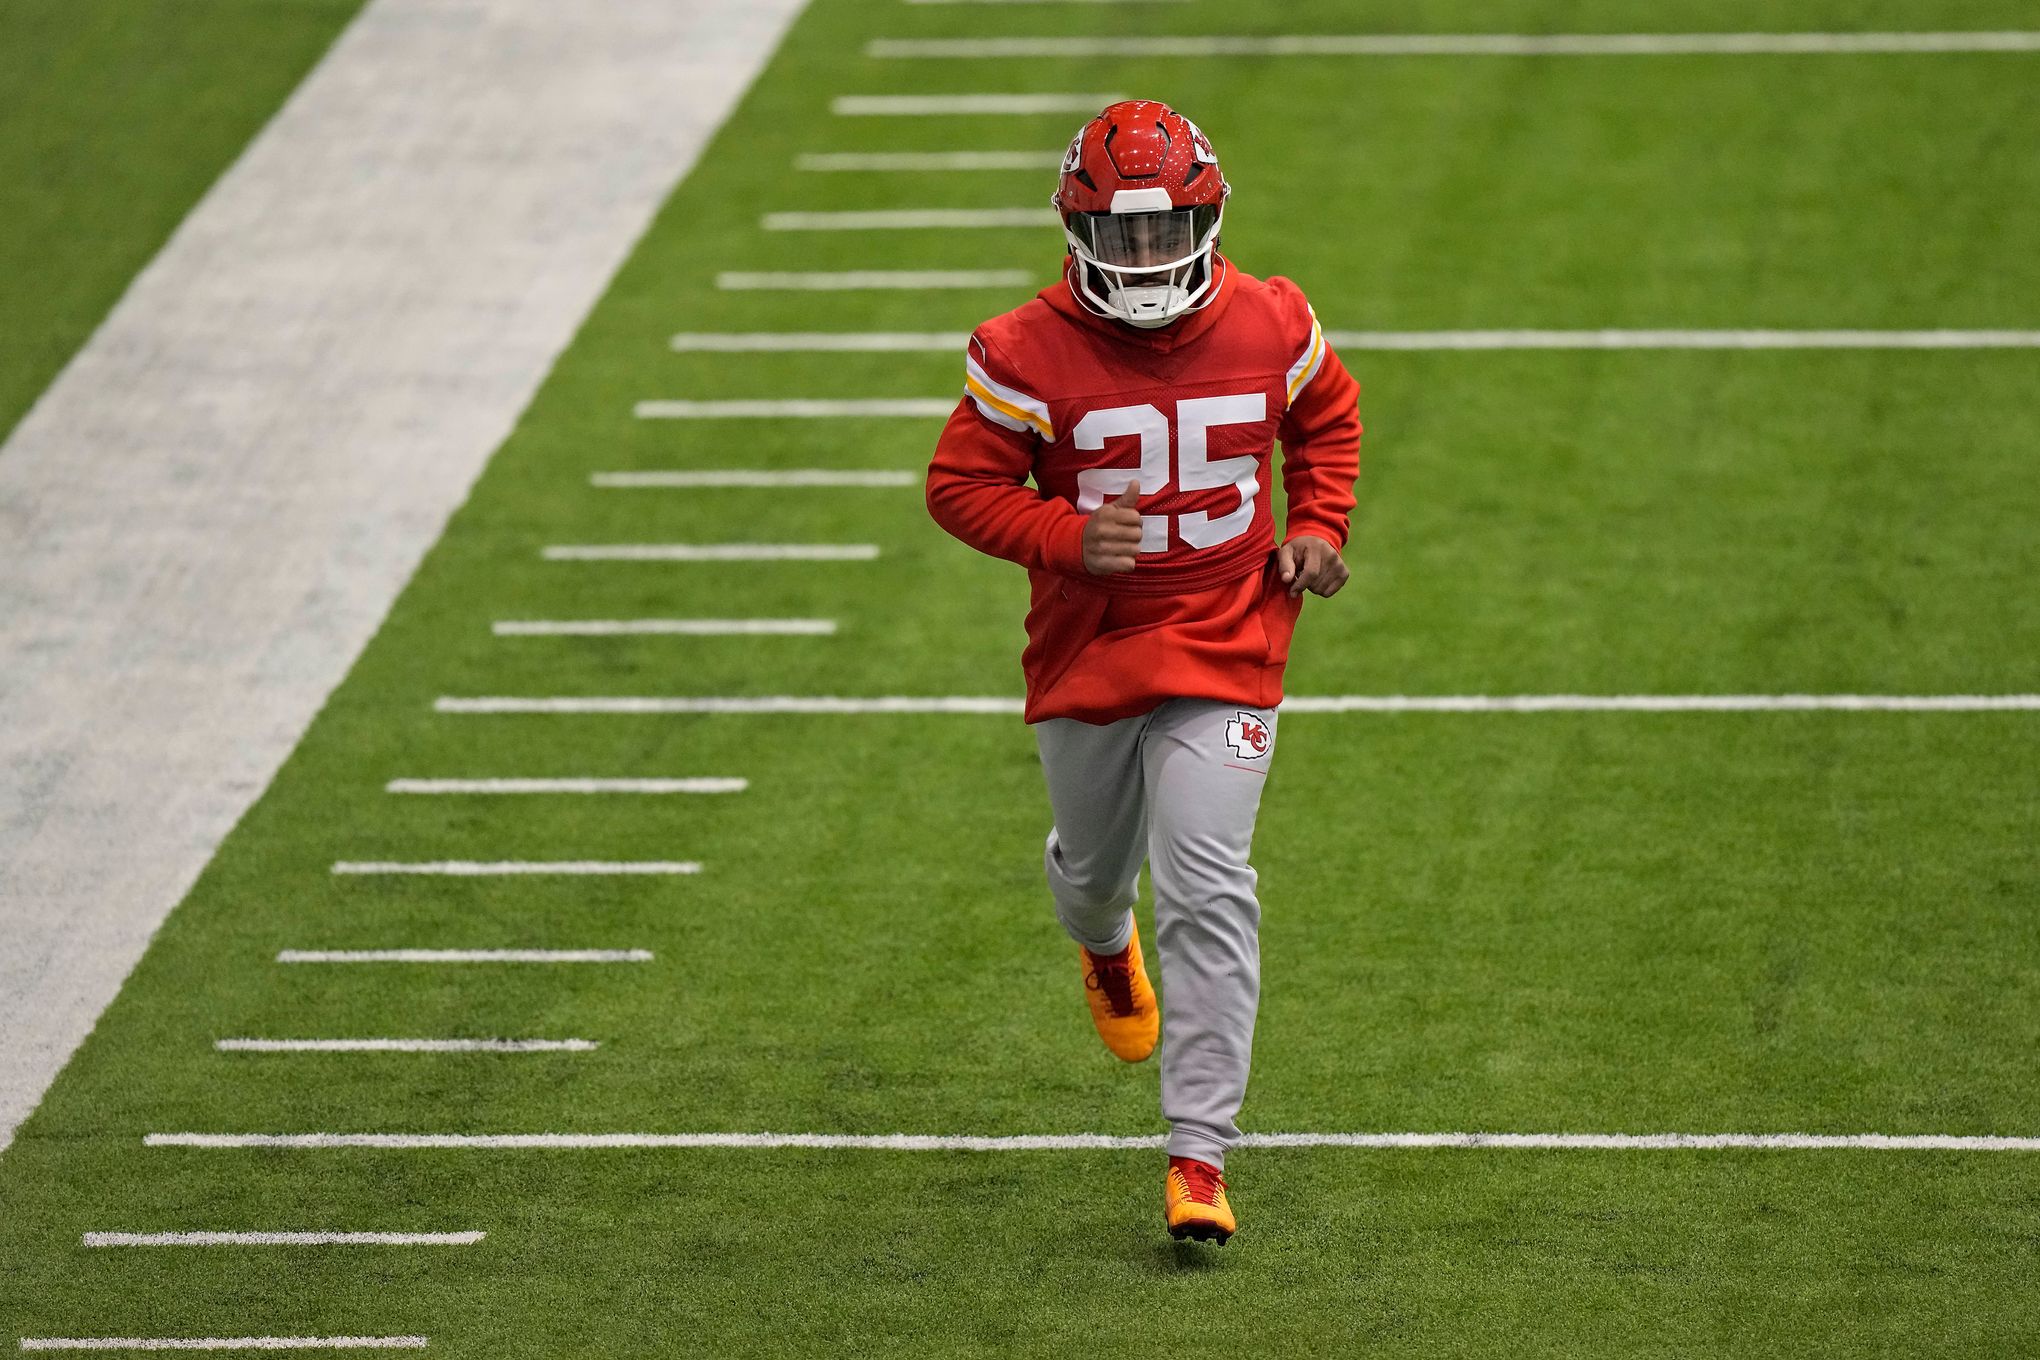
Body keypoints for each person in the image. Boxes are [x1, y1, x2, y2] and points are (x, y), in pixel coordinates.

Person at [924, 99, 1361, 1244]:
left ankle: (1199, 1155)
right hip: (1089, 649)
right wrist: (1064, 535)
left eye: (1166, 232)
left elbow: (1328, 416)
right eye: (1118, 238)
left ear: (1210, 220)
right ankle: (1104, 944)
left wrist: (1319, 522)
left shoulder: (1273, 318)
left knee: (1212, 881)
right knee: (1090, 868)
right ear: (1076, 234)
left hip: (1229, 637)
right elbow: (957, 487)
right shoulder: (1019, 348)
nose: (1146, 259)